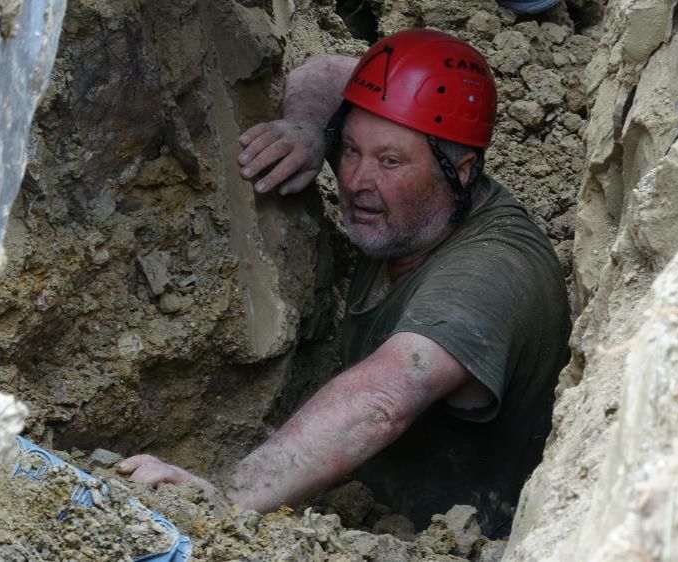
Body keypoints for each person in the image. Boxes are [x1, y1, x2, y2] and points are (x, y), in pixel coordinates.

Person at [118, 29, 571, 536]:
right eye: (351, 149)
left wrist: (223, 500)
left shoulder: (490, 272)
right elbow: (326, 73)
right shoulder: (411, 195)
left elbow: (381, 400)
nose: (355, 181)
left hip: (446, 539)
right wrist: (310, 130)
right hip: (359, 499)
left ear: (461, 171)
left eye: (389, 161)